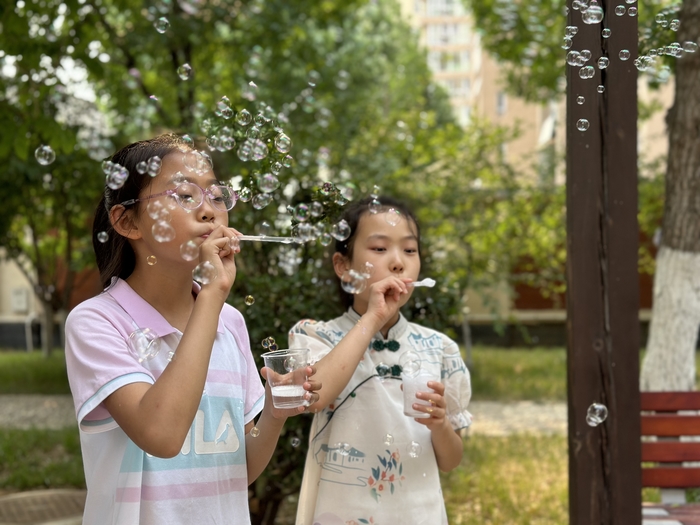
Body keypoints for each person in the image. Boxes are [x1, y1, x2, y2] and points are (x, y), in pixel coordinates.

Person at [64, 134, 319, 525]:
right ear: (127, 220)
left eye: (217, 196)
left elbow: (241, 469)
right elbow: (161, 434)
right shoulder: (98, 322)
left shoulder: (229, 321)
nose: (209, 211)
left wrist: (273, 410)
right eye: (184, 195)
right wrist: (214, 296)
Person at [288, 196, 472, 525]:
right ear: (343, 266)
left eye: (410, 250)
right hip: (342, 513)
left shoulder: (439, 348)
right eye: (379, 248)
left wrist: (441, 424)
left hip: (417, 514)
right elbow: (316, 395)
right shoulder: (315, 337)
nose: (399, 262)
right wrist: (372, 318)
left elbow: (451, 460)